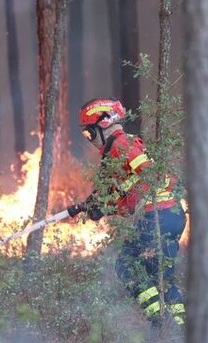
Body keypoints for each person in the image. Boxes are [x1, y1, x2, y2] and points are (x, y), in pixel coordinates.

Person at [69, 98, 186, 327]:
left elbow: (148, 175)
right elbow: (133, 196)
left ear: (104, 123)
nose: (88, 138)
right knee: (160, 274)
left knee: (126, 265)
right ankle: (178, 330)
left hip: (157, 215)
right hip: (170, 214)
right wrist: (102, 206)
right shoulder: (123, 146)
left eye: (88, 132)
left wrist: (113, 196)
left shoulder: (122, 145)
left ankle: (159, 322)